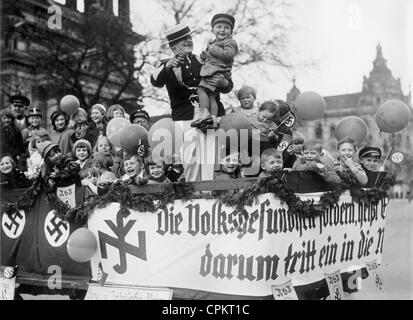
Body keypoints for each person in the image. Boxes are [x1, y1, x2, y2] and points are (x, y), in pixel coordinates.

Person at [151, 23, 233, 182]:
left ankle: (210, 195)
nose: (188, 41)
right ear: (173, 46)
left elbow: (227, 84)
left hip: (211, 114)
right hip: (185, 118)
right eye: (182, 39)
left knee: (212, 157)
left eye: (189, 37)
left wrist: (225, 84)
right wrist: (168, 65)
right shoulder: (167, 65)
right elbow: (155, 81)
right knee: (190, 159)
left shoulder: (204, 59)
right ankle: (194, 196)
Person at [191, 13, 238, 129]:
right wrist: (203, 55)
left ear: (231, 32)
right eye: (219, 27)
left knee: (201, 90)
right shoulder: (212, 44)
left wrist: (212, 49)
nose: (222, 30)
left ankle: (204, 114)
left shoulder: (230, 43)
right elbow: (206, 55)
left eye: (226, 28)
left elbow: (229, 55)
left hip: (215, 72)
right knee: (212, 96)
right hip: (212, 70)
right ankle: (213, 119)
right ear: (212, 30)